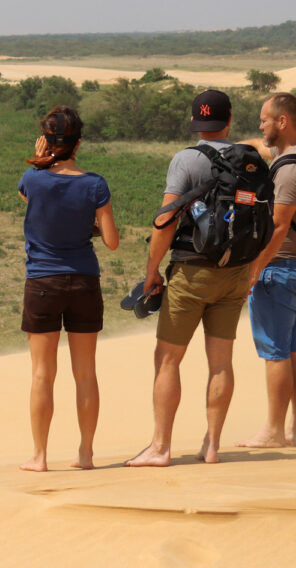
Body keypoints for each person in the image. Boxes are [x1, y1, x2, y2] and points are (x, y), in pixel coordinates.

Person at [126, 89, 248, 467]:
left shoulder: (186, 159)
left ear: (195, 122)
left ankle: (161, 447)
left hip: (192, 272)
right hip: (236, 272)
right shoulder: (249, 159)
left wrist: (151, 273)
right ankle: (212, 446)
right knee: (221, 362)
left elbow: (164, 222)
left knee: (167, 360)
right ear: (229, 120)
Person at [17, 105, 119, 472]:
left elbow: (31, 200)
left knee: (43, 374)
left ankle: (40, 457)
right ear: (79, 143)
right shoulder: (95, 184)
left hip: (42, 282)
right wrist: (90, 221)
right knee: (86, 373)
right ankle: (86, 454)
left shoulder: (31, 180)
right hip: (83, 281)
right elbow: (111, 242)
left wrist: (42, 162)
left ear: (46, 141)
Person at [237, 92, 296, 448]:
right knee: (292, 351)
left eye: (265, 119)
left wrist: (256, 268)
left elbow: (279, 225)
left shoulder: (287, 172)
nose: (260, 125)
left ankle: (274, 430)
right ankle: (292, 428)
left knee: (275, 351)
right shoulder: (289, 159)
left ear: (283, 122)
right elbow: (260, 145)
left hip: (279, 270)